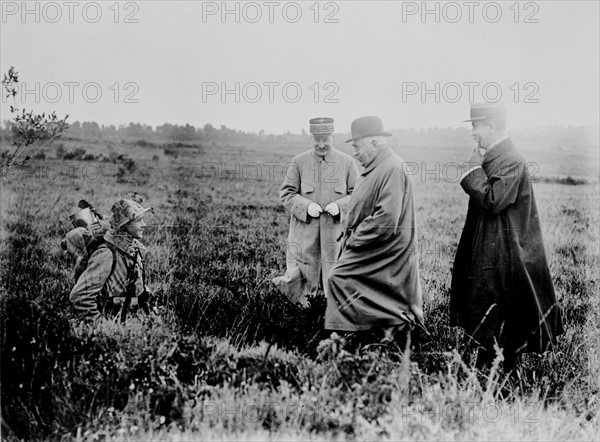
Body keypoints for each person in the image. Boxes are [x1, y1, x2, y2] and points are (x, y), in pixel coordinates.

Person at [450, 102, 564, 369]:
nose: (473, 132)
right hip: (491, 249)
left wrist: (472, 170)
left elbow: (494, 200)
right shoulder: (496, 158)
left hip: (504, 253)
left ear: (491, 125)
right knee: (486, 309)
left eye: (476, 126)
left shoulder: (511, 159)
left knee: (499, 312)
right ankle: (490, 371)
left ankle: (502, 378)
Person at [325, 116, 424, 346]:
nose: (355, 154)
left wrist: (354, 241)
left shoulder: (392, 167)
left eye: (357, 147)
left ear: (375, 143)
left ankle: (351, 337)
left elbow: (386, 219)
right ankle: (369, 335)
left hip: (385, 250)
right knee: (343, 279)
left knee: (338, 277)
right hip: (374, 246)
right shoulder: (376, 167)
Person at [273, 117, 358, 307]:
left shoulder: (347, 163)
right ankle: (302, 310)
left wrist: (340, 206)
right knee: (301, 274)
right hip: (305, 232)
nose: (321, 144)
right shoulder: (299, 162)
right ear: (311, 138)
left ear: (333, 137)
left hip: (336, 233)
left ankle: (334, 311)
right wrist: (305, 206)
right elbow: (286, 193)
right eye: (316, 139)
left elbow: (358, 195)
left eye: (325, 139)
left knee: (336, 271)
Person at [69, 196, 153, 322]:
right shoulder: (106, 253)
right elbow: (80, 296)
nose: (144, 225)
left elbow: (137, 284)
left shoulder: (133, 248)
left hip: (133, 319)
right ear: (124, 225)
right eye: (139, 220)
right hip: (113, 322)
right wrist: (101, 325)